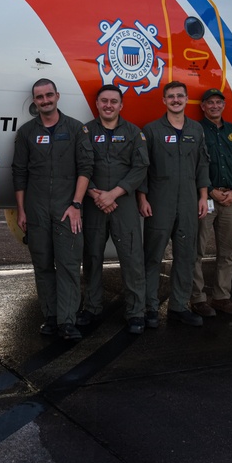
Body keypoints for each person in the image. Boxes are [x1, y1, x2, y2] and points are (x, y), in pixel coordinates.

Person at [12, 79, 94, 341]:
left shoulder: (75, 129)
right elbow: (20, 173)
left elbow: (85, 169)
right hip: (36, 210)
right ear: (34, 101)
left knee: (69, 265)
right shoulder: (26, 133)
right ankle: (50, 317)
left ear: (57, 96)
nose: (45, 100)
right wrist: (22, 211)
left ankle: (68, 320)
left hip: (66, 208)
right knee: (43, 264)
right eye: (40, 97)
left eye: (49, 95)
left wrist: (76, 205)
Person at [137, 81, 211, 328]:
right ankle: (149, 307)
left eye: (180, 96)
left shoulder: (196, 130)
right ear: (164, 100)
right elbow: (142, 168)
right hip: (159, 202)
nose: (176, 100)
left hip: (189, 201)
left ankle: (179, 306)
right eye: (171, 96)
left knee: (186, 256)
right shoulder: (151, 130)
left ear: (187, 99)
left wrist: (203, 197)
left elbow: (202, 164)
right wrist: (142, 197)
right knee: (153, 256)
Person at [80, 85, 149, 334]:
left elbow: (140, 167)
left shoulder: (133, 133)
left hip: (123, 203)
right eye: (104, 101)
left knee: (132, 259)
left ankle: (135, 312)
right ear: (97, 103)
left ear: (121, 105)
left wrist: (113, 194)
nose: (108, 105)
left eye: (114, 101)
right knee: (92, 258)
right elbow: (79, 164)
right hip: (94, 203)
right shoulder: (85, 132)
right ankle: (91, 308)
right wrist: (94, 193)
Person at [190, 88, 232, 318]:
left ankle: (221, 297)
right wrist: (211, 191)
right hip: (206, 199)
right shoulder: (195, 130)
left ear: (223, 105)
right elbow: (194, 165)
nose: (215, 106)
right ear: (203, 106)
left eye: (218, 102)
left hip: (230, 200)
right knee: (197, 251)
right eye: (210, 103)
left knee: (227, 252)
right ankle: (197, 298)